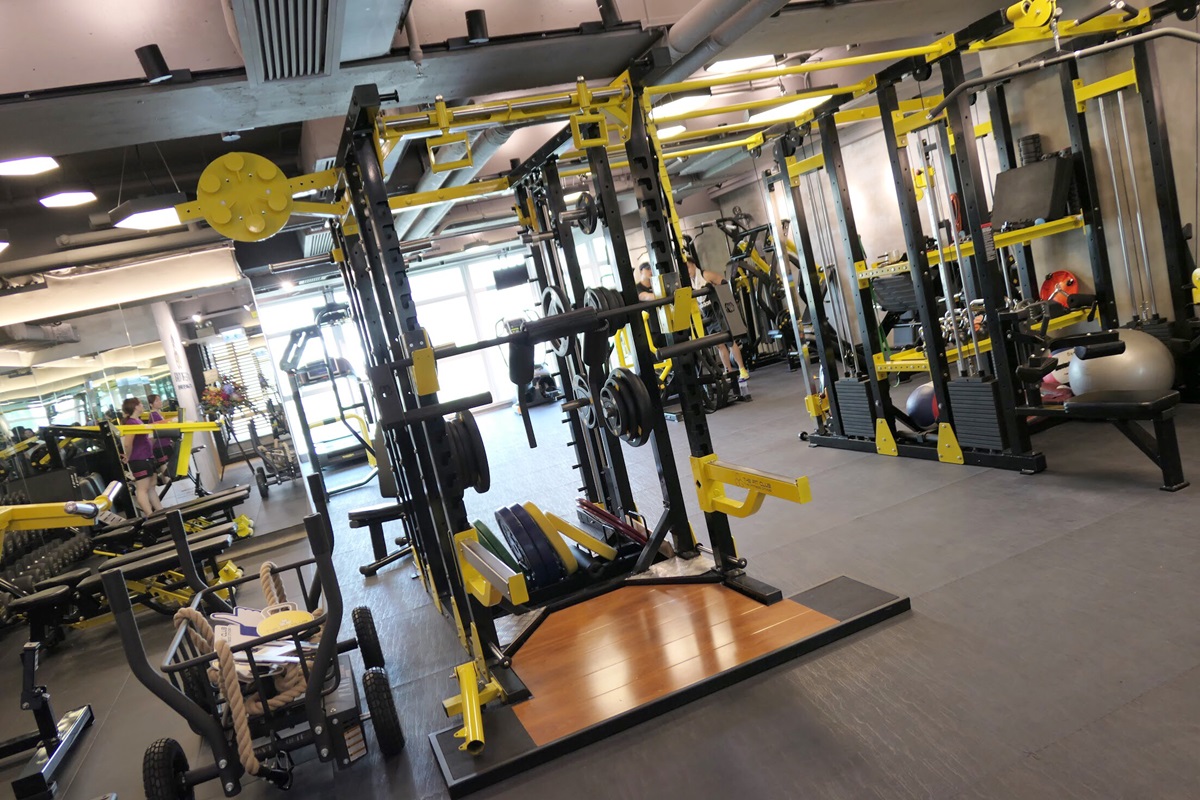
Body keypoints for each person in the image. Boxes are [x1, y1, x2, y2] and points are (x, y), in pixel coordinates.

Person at [684, 258, 749, 381]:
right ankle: (729, 372)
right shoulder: (690, 282)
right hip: (706, 315)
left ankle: (742, 369)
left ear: (693, 265)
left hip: (717, 312)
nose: (687, 271)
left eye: (688, 267)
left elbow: (724, 283)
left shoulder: (706, 275)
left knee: (730, 341)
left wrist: (722, 298)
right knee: (719, 345)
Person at [120, 397, 163, 516]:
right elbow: (128, 443)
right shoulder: (131, 423)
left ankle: (160, 511)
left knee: (152, 486)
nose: (143, 406)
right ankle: (150, 515)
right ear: (135, 407)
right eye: (140, 404)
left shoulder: (138, 421)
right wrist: (128, 456)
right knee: (142, 489)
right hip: (139, 459)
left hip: (148, 457)